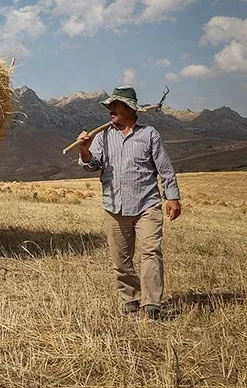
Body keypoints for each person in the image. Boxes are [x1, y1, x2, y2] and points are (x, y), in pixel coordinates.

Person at [75, 85, 181, 319]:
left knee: (151, 251)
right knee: (121, 260)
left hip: (147, 205)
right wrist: (84, 150)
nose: (111, 110)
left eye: (116, 106)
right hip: (115, 207)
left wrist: (172, 196)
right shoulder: (103, 136)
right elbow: (93, 165)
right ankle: (131, 297)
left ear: (131, 109)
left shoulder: (149, 134)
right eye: (110, 106)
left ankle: (152, 303)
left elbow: (164, 168)